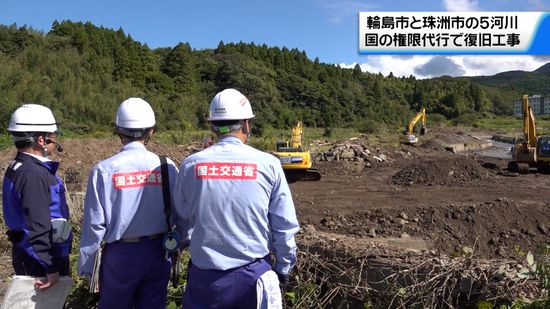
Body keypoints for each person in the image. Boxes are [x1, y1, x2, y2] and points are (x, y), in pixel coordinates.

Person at [174, 88, 300, 308]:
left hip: (205, 279)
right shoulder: (268, 164)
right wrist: (283, 267)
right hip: (253, 276)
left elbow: (182, 220)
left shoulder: (190, 165)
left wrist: (185, 245)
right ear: (246, 124)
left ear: (213, 126)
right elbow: (284, 226)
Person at [78, 98, 178, 308]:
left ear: (118, 130)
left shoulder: (104, 170)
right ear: (151, 131)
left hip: (120, 254)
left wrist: (88, 267)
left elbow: (94, 225)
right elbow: (181, 210)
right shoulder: (166, 166)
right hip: (158, 250)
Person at [2, 104, 71, 290]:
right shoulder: (33, 175)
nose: (55, 142)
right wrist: (49, 266)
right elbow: (37, 224)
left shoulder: (19, 167)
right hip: (40, 262)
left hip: (29, 255)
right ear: (41, 140)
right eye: (54, 137)